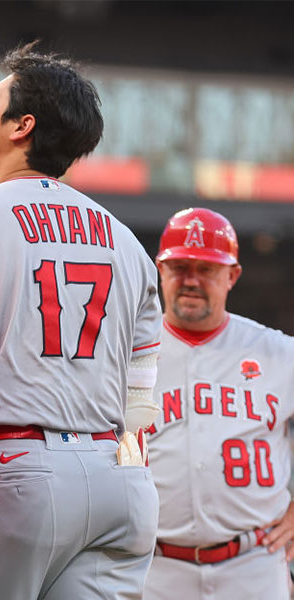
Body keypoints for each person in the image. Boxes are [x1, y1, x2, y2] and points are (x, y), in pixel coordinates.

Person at [0, 43, 163, 599]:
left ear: (21, 125)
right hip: (117, 479)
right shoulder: (127, 242)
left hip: (12, 472)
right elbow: (141, 400)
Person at [143, 208, 294, 599]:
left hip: (254, 563)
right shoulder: (127, 352)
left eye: (206, 269)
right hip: (152, 567)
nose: (190, 280)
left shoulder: (278, 351)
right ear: (160, 269)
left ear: (232, 276)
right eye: (179, 266)